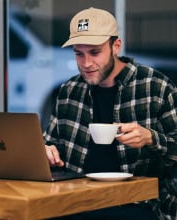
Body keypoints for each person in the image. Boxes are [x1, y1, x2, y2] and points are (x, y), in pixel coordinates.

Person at [43, 7, 177, 220]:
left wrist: (151, 138)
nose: (86, 64)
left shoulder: (156, 87)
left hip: (139, 204)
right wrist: (47, 152)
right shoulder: (69, 91)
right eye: (79, 53)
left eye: (95, 52)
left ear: (116, 46)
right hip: (76, 201)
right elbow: (51, 145)